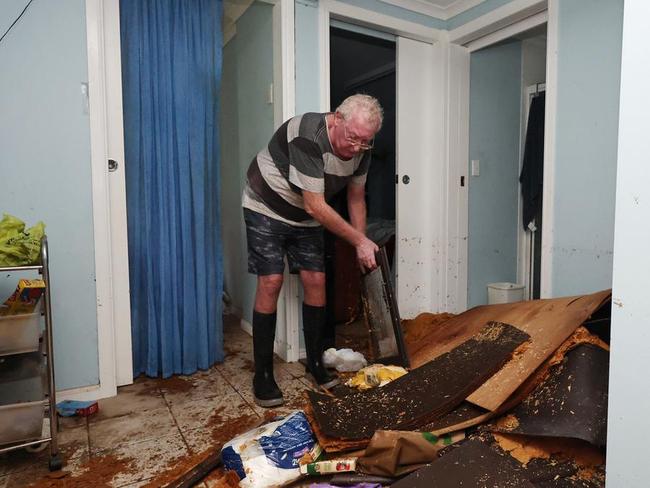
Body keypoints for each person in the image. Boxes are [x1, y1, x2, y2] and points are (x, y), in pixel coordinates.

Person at [242, 94, 383, 407]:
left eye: (365, 142)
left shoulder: (362, 150)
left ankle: (316, 363)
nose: (357, 147)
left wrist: (361, 244)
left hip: (305, 215)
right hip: (266, 205)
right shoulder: (307, 135)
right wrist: (358, 241)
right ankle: (262, 375)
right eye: (352, 138)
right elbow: (316, 205)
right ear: (336, 118)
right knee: (271, 281)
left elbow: (356, 197)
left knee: (316, 280)